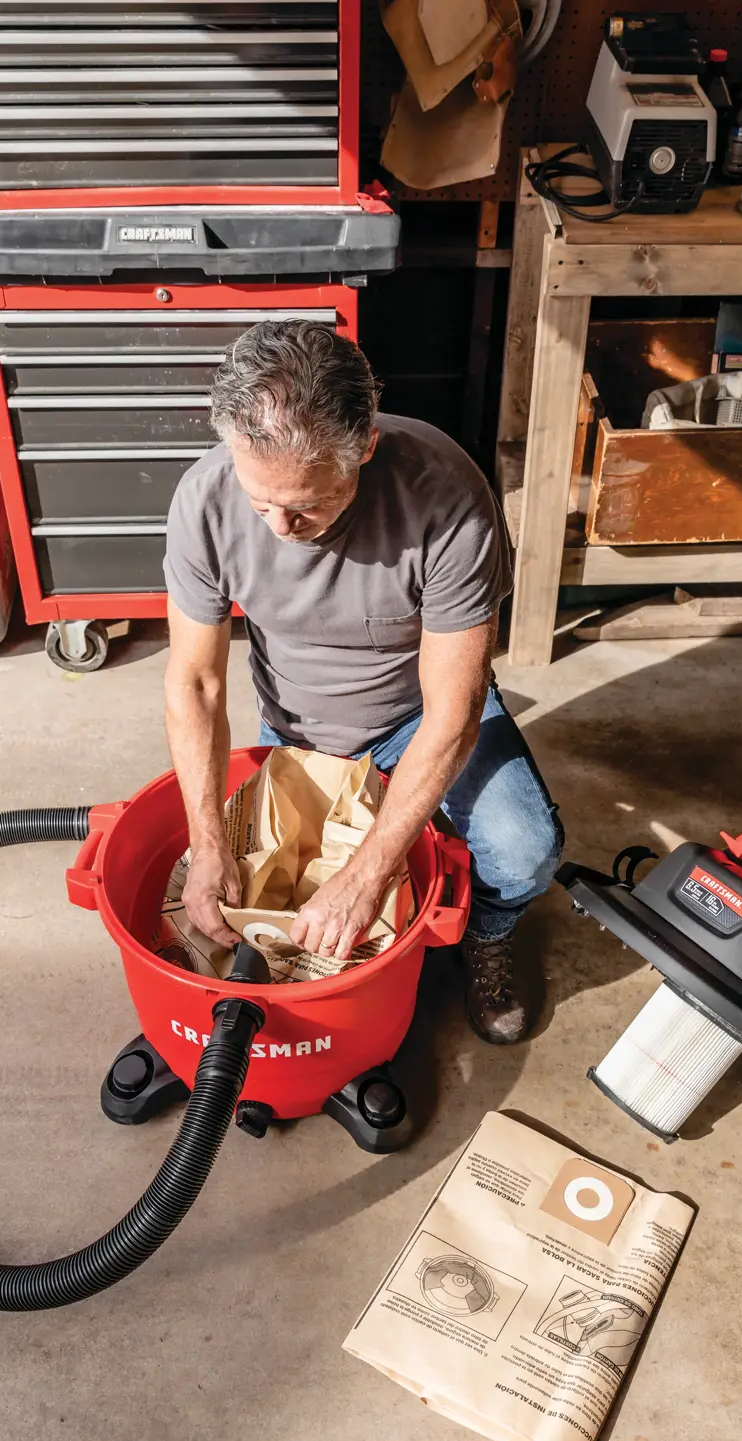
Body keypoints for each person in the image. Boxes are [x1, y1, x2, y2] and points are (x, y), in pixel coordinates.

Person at [162, 319, 563, 1044]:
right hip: (296, 725)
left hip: (419, 715)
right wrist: (208, 838)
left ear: (365, 450)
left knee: (524, 851)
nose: (280, 526)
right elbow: (196, 683)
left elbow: (454, 708)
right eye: (261, 501)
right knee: (262, 897)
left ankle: (489, 934)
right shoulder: (206, 498)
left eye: (307, 504)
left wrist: (371, 871)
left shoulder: (446, 497)